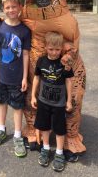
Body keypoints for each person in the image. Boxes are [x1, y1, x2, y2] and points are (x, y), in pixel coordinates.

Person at [0, 0, 31, 157]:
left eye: (14, 6)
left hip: (17, 78)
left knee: (18, 107)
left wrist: (24, 77)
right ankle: (1, 129)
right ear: (3, 9)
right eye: (7, 7)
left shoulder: (25, 30)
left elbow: (26, 54)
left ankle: (18, 136)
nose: (11, 10)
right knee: (1, 103)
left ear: (20, 7)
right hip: (0, 76)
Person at [31, 31, 73, 172]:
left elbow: (69, 81)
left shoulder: (65, 63)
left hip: (59, 104)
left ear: (61, 48)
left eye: (57, 49)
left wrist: (69, 101)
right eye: (51, 49)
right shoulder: (41, 61)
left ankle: (59, 153)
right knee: (44, 126)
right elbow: (36, 78)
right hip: (43, 101)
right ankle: (46, 148)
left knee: (60, 129)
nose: (54, 53)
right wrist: (32, 96)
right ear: (45, 47)